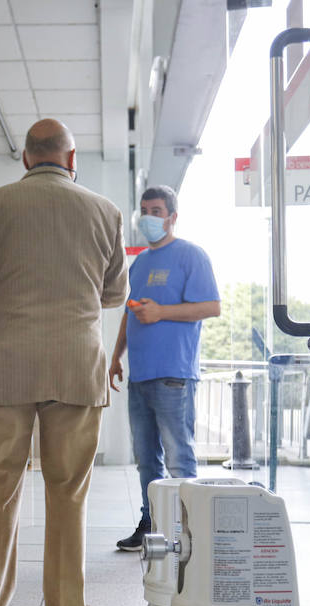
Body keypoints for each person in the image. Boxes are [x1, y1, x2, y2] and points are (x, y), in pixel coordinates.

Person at [0, 119, 127, 606]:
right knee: (68, 491)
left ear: (25, 159)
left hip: (7, 368)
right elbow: (114, 293)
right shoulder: (105, 211)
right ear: (72, 160)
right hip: (77, 366)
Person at [109, 185, 220, 550]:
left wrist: (161, 313)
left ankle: (192, 531)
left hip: (174, 375)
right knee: (146, 461)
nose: (149, 217)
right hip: (139, 375)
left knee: (178, 457)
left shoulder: (191, 255)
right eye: (144, 210)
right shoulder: (139, 263)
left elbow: (210, 307)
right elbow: (130, 311)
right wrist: (115, 356)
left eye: (157, 210)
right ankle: (151, 524)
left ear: (173, 216)